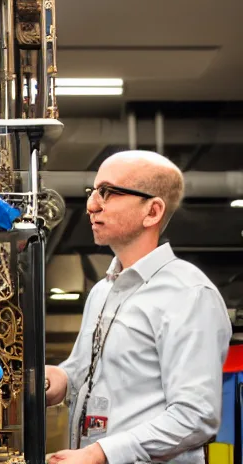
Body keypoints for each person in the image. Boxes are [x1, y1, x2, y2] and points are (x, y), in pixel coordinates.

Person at [45, 150, 232, 464]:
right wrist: (59, 380)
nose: (91, 205)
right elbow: (84, 370)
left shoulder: (188, 294)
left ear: (152, 211)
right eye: (93, 192)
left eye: (108, 192)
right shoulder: (103, 290)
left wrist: (100, 454)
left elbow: (196, 415)